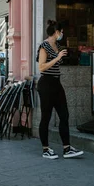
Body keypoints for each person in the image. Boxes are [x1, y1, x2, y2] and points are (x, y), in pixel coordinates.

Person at [36, 20, 83, 160]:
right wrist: (57, 58)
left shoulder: (57, 45)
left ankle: (67, 148)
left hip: (57, 83)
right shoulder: (44, 46)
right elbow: (42, 67)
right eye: (61, 32)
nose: (62, 34)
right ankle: (45, 149)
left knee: (64, 115)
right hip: (46, 84)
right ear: (56, 32)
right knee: (46, 116)